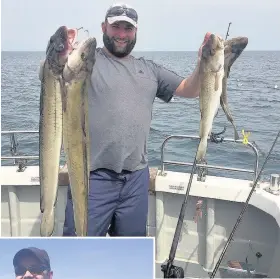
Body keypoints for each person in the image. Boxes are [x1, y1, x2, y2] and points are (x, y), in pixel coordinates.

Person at [63, 2, 211, 237]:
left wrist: (205, 62)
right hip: (92, 177)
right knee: (79, 245)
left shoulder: (149, 69)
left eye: (128, 29)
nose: (122, 34)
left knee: (130, 251)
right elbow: (57, 74)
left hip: (136, 178)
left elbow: (190, 90)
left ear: (136, 32)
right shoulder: (86, 62)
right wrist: (63, 50)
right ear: (104, 27)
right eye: (116, 27)